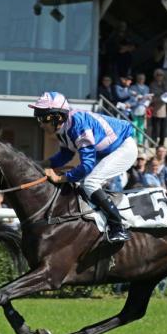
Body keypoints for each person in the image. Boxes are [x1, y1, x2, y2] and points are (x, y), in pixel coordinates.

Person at [33, 91, 137, 242]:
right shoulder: (64, 128)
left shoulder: (78, 125)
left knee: (90, 182)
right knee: (83, 184)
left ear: (57, 117)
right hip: (107, 152)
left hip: (123, 148)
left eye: (43, 119)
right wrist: (42, 165)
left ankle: (118, 227)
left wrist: (61, 177)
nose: (41, 124)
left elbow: (87, 165)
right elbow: (66, 155)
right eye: (39, 118)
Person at [149, 69, 167, 146]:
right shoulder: (152, 84)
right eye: (158, 75)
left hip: (164, 108)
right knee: (155, 128)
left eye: (161, 75)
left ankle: (161, 143)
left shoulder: (165, 84)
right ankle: (153, 142)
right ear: (155, 76)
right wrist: (161, 97)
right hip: (155, 108)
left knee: (163, 128)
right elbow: (152, 95)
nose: (160, 76)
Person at [129, 72, 150, 144]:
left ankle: (140, 142)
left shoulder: (147, 88)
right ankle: (133, 141)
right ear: (137, 79)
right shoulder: (133, 87)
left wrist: (146, 104)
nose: (141, 80)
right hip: (134, 108)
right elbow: (131, 98)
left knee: (141, 126)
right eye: (140, 78)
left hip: (143, 109)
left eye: (143, 79)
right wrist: (137, 98)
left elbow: (148, 99)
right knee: (134, 125)